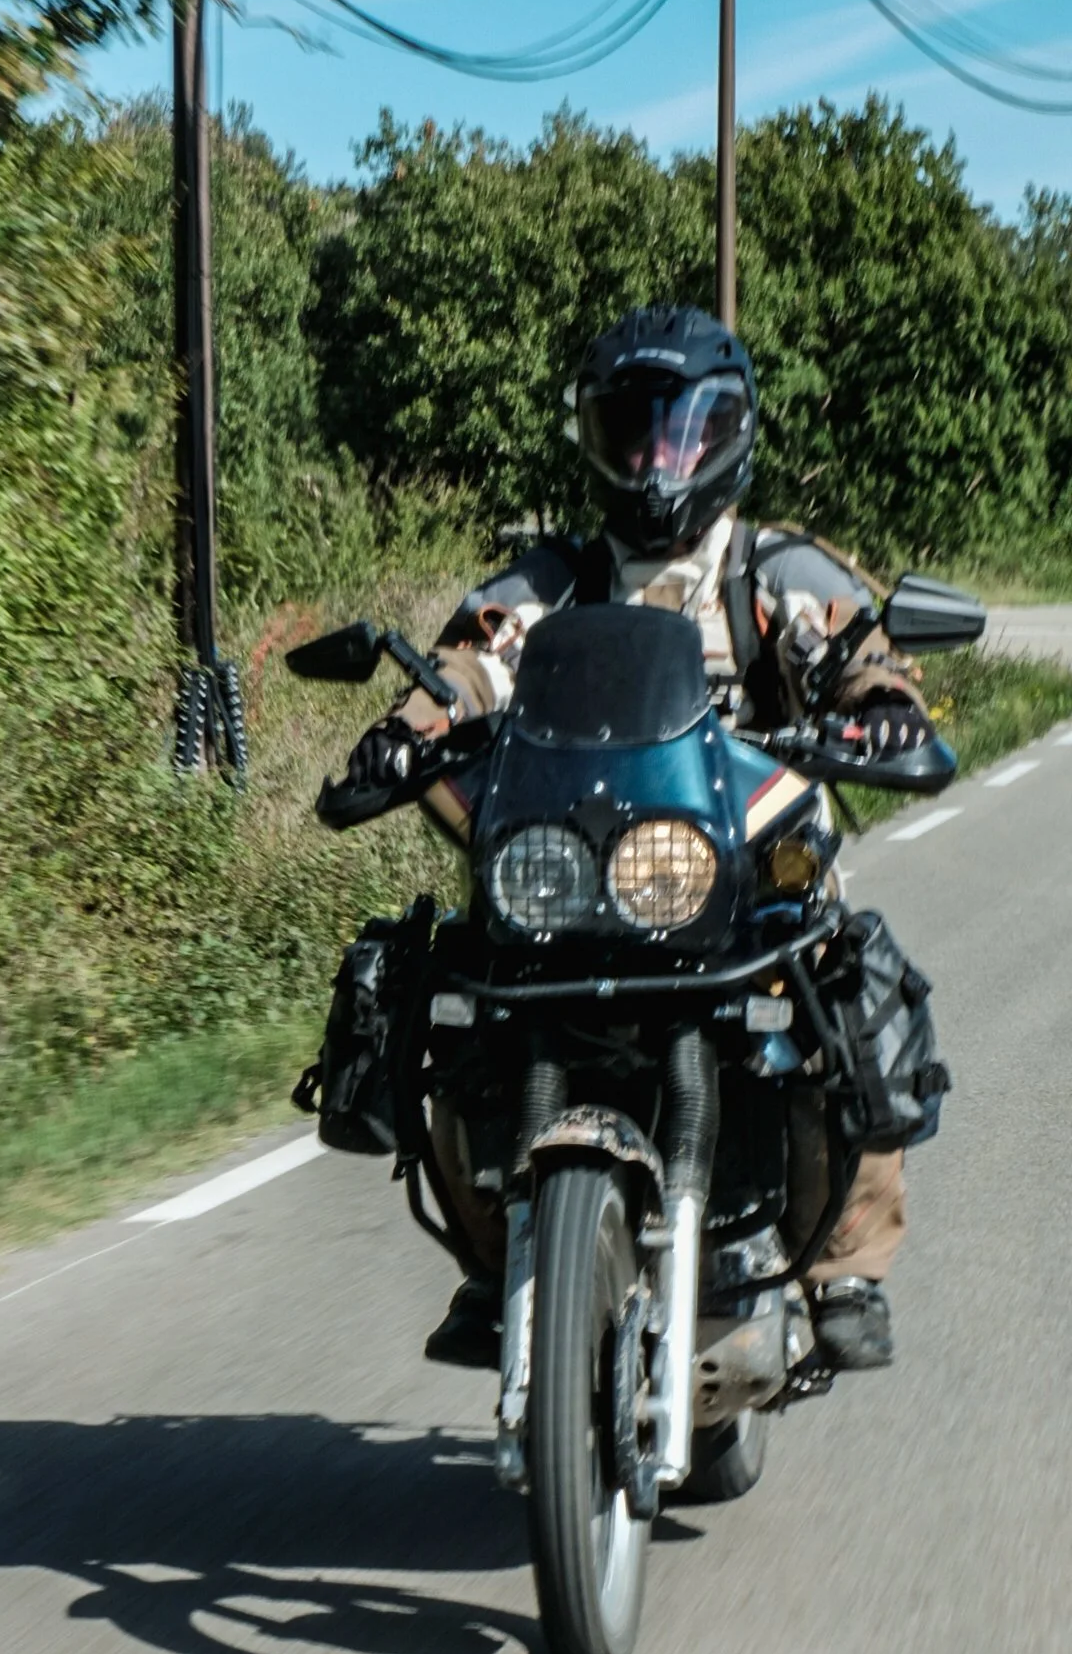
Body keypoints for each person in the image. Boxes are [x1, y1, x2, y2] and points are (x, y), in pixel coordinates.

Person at [334, 305, 932, 1374]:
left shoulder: (777, 571)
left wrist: (883, 704)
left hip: (741, 871)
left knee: (850, 992)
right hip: (569, 870)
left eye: (684, 432)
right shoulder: (550, 580)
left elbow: (863, 653)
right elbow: (468, 664)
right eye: (634, 431)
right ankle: (496, 1259)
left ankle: (845, 1266)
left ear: (728, 434)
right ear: (595, 438)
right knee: (452, 1008)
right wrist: (406, 729)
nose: (660, 460)